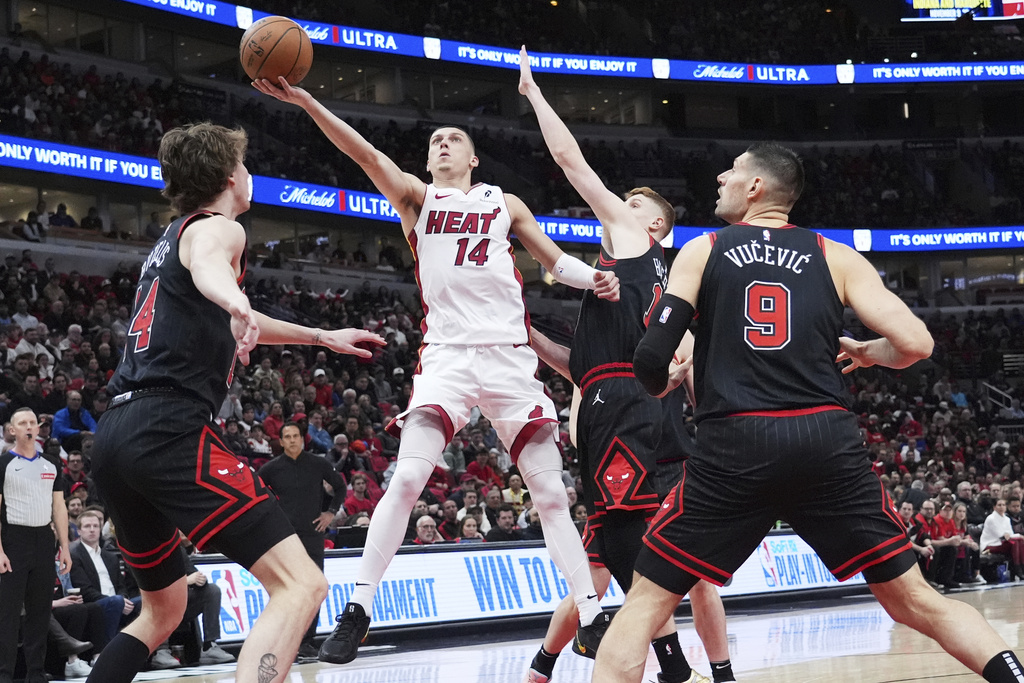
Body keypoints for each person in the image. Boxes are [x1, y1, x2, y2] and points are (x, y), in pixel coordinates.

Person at [594, 142, 1022, 683]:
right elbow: (916, 344)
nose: (721, 177)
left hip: (735, 442)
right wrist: (869, 353)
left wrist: (660, 386)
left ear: (755, 188)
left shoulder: (703, 250)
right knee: (915, 600)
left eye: (732, 171)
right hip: (826, 440)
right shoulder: (835, 255)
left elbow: (652, 357)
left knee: (645, 606)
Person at [253, 75, 620, 666]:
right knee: (403, 481)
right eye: (435, 141)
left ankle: (592, 614)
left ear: (474, 158)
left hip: (507, 358)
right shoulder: (418, 200)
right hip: (448, 357)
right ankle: (359, 611)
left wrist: (593, 278)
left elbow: (554, 263)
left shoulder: (505, 202)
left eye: (454, 139)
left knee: (551, 492)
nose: (443, 144)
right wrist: (306, 102)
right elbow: (364, 153)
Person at [83, 122, 383, 683]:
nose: (251, 176)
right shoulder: (219, 229)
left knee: (163, 609)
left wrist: (319, 336)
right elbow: (211, 271)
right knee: (303, 584)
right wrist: (236, 300)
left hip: (118, 432)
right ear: (228, 178)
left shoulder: (170, 238)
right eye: (245, 167)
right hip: (169, 429)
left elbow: (211, 285)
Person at [519, 49, 729, 683]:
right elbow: (583, 366)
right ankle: (697, 668)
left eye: (632, 205)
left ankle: (665, 661)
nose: (616, 210)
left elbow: (570, 162)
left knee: (619, 542)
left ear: (655, 226)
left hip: (620, 406)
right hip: (630, 401)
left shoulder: (634, 244)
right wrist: (525, 335)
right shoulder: (664, 284)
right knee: (644, 549)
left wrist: (532, 93)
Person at [258, 422, 347, 661]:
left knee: (314, 587)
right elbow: (254, 493)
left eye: (296, 436)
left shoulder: (318, 464)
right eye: (287, 436)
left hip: (312, 535)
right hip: (284, 538)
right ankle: (286, 640)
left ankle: (307, 641)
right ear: (281, 441)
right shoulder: (270, 469)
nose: (292, 440)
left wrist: (330, 513)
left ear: (302, 438)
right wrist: (271, 518)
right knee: (288, 590)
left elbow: (340, 487)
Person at [0, 407, 72, 683]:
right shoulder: (3, 464)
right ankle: (4, 674)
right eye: (23, 423)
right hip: (13, 540)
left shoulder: (52, 464)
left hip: (44, 540)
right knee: (7, 613)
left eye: (33, 422)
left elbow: (59, 508)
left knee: (40, 612)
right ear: (12, 430)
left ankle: (36, 674)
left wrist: (64, 547)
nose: (29, 426)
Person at [980, 497, 1024, 580]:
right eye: (999, 505)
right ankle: (1018, 570)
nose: (1001, 507)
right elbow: (1000, 535)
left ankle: (1021, 568)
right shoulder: (991, 518)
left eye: (1003, 505)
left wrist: (1015, 536)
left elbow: (1010, 534)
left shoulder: (1007, 519)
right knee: (1016, 542)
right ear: (994, 507)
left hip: (1003, 543)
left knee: (1019, 541)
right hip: (991, 544)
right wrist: (1018, 535)